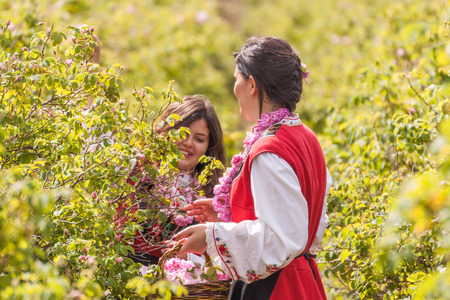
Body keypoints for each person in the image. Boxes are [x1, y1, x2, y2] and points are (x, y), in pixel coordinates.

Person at [172, 36, 332, 299]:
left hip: (276, 287)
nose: (234, 87)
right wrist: (229, 211)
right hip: (304, 280)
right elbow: (305, 223)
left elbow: (282, 240)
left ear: (252, 85)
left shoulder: (269, 150)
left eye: (237, 78)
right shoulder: (306, 137)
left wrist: (212, 236)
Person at [124, 95, 227, 266]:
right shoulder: (134, 167)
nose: (187, 143)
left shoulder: (213, 201)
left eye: (199, 139)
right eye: (182, 132)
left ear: (208, 149)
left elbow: (221, 263)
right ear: (166, 130)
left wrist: (188, 259)